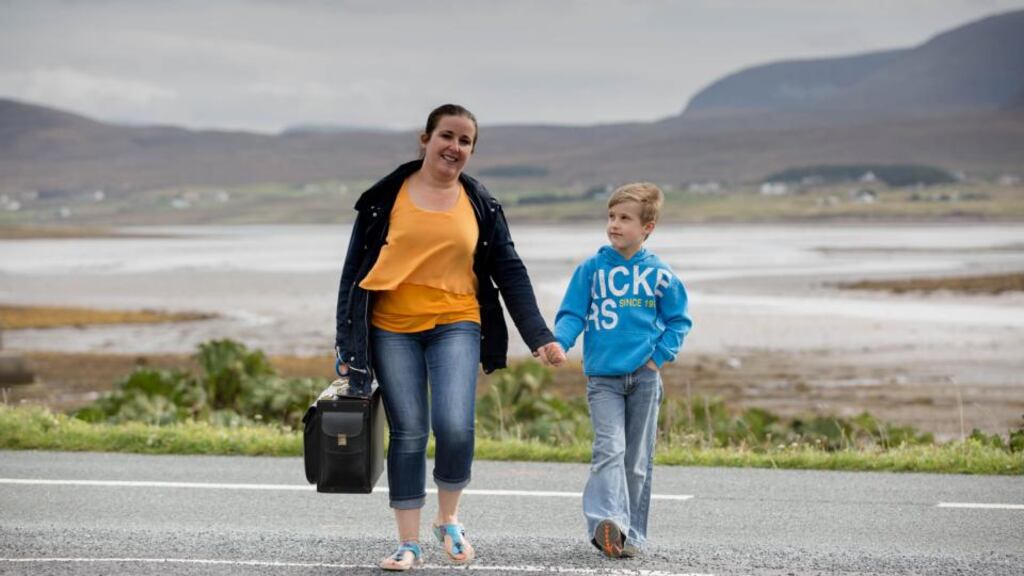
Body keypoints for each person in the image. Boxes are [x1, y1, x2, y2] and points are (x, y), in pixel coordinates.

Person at [334, 103, 566, 571]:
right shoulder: (385, 198)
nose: (454, 147)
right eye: (447, 136)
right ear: (426, 139)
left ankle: (448, 518)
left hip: (458, 321)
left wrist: (539, 335)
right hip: (391, 327)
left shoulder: (481, 204)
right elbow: (352, 274)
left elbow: (510, 272)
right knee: (410, 432)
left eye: (465, 141)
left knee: (455, 425)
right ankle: (408, 543)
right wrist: (347, 345)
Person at [551, 182, 691, 558]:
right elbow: (572, 314)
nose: (614, 224)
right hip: (603, 380)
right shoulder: (591, 270)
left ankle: (629, 534)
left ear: (647, 227)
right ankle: (604, 524)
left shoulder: (660, 274)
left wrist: (656, 359)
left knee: (637, 461)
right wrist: (559, 343)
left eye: (624, 218)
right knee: (609, 449)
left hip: (645, 378)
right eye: (611, 217)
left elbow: (679, 321)